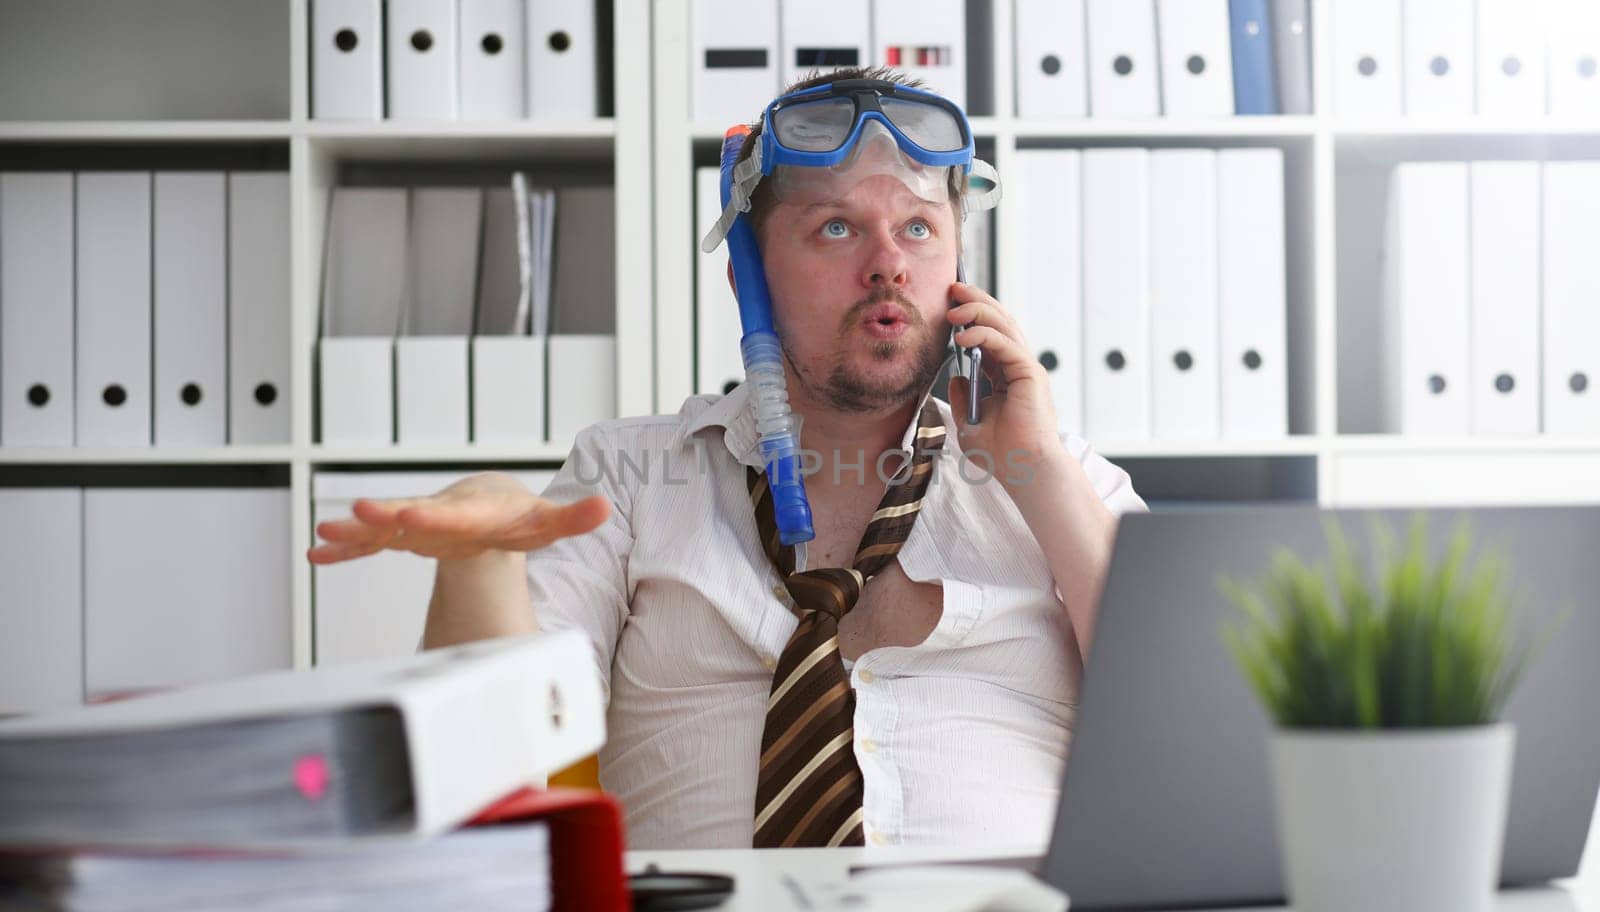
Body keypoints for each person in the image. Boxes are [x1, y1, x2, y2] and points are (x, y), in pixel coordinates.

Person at [308, 66, 1145, 850]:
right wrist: (483, 558)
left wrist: (1036, 466)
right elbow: (486, 782)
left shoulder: (1064, 481)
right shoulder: (627, 479)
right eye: (837, 226)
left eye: (920, 227)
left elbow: (1187, 733)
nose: (889, 262)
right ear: (751, 273)